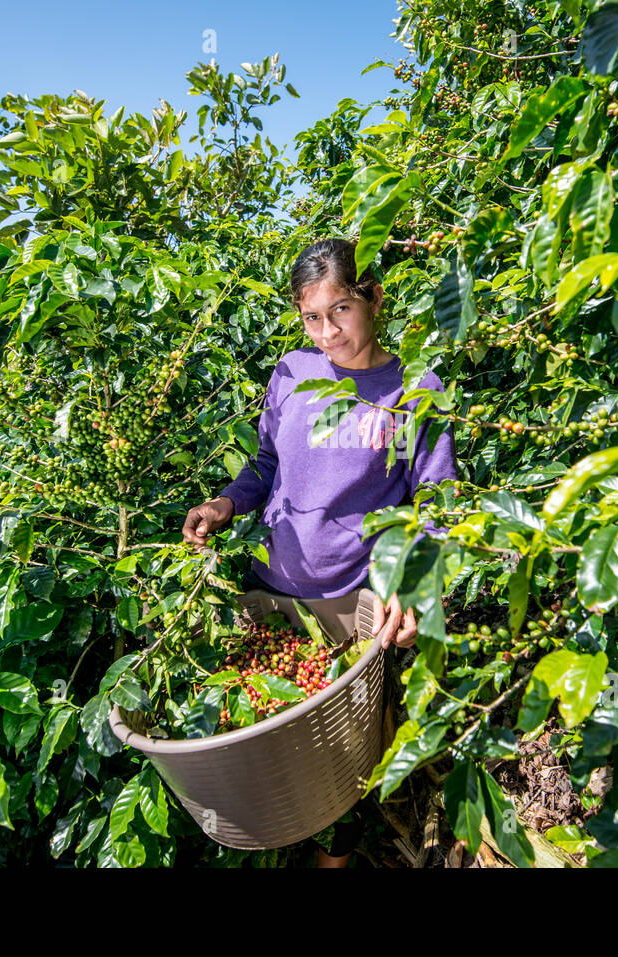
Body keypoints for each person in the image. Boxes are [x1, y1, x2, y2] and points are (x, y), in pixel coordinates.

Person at [181, 236, 458, 867]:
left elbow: (437, 506)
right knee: (264, 731)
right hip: (273, 591)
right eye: (311, 316)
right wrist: (227, 504)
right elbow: (268, 463)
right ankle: (275, 837)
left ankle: (333, 859)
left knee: (340, 754)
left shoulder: (413, 389)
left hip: (349, 604)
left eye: (339, 311)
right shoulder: (290, 372)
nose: (325, 332)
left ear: (373, 298)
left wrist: (415, 590)